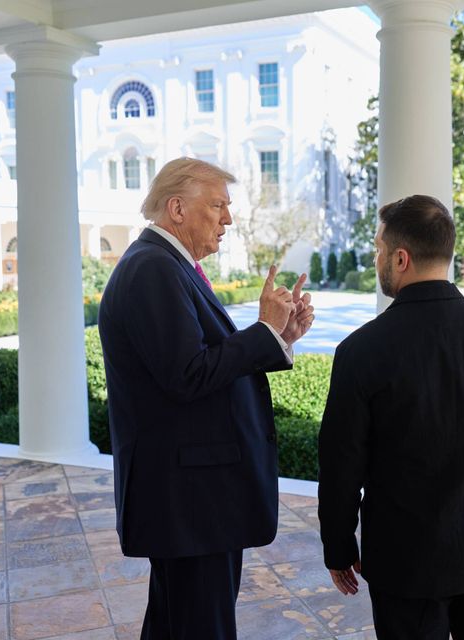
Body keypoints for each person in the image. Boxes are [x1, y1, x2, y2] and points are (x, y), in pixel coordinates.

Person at [97, 157, 315, 640]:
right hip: (189, 500)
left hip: (191, 497)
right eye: (218, 206)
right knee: (200, 627)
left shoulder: (168, 265)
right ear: (177, 208)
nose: (228, 219)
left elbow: (199, 363)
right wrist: (262, 329)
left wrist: (278, 337)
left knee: (175, 624)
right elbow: (188, 375)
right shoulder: (153, 268)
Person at [317, 195, 464, 639]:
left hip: (403, 561)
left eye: (379, 250)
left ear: (401, 259)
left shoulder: (360, 351)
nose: (377, 260)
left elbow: (341, 465)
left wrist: (338, 547)